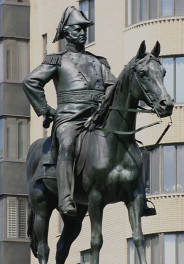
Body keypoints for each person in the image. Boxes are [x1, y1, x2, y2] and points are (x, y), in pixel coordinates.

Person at [23, 6, 116, 216]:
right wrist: (45, 109)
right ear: (66, 32)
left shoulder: (97, 61)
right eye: (78, 29)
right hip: (69, 118)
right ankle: (65, 198)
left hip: (97, 118)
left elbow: (114, 85)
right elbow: (30, 81)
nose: (83, 33)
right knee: (67, 144)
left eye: (85, 29)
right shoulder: (57, 60)